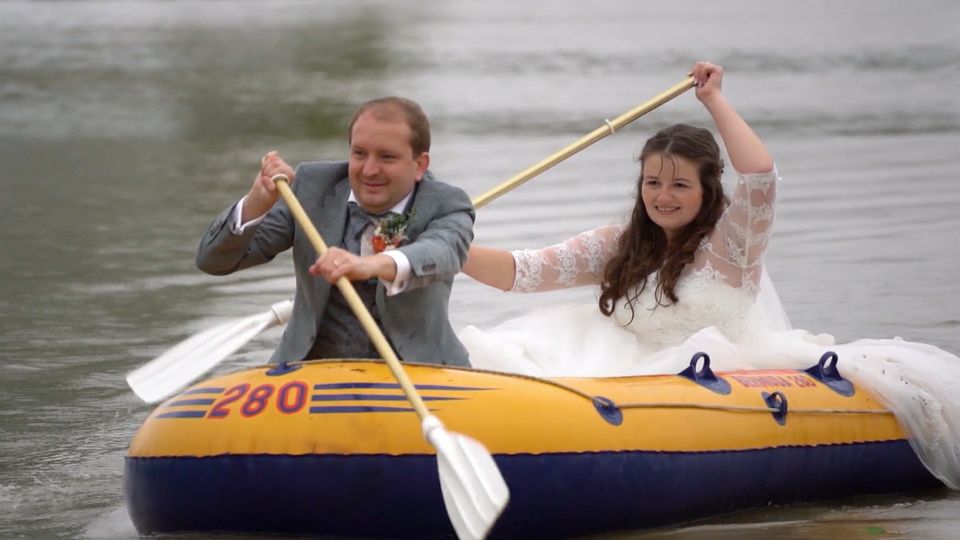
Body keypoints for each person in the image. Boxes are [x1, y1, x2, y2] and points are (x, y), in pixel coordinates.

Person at [458, 61, 960, 489]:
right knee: (515, 344)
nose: (663, 196)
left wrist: (714, 100)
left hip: (714, 370)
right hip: (620, 361)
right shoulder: (620, 243)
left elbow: (761, 176)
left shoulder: (732, 246)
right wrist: (447, 248)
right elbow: (519, 273)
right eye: (653, 183)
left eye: (680, 184)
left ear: (706, 190)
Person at [196, 96, 474, 367]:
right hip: (310, 372)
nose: (369, 169)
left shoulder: (448, 203)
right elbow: (214, 261)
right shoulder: (311, 187)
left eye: (387, 157)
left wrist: (370, 265)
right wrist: (257, 201)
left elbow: (444, 251)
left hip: (421, 372)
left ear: (419, 165)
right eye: (359, 154)